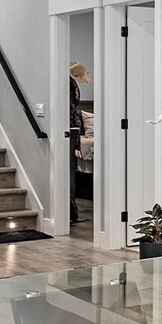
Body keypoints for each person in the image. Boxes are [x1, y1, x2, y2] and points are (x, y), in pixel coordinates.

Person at [68, 62, 90, 223]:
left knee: (70, 169)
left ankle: (72, 211)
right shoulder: (70, 84)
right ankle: (71, 212)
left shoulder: (70, 84)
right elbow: (71, 108)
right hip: (71, 129)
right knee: (69, 169)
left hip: (72, 129)